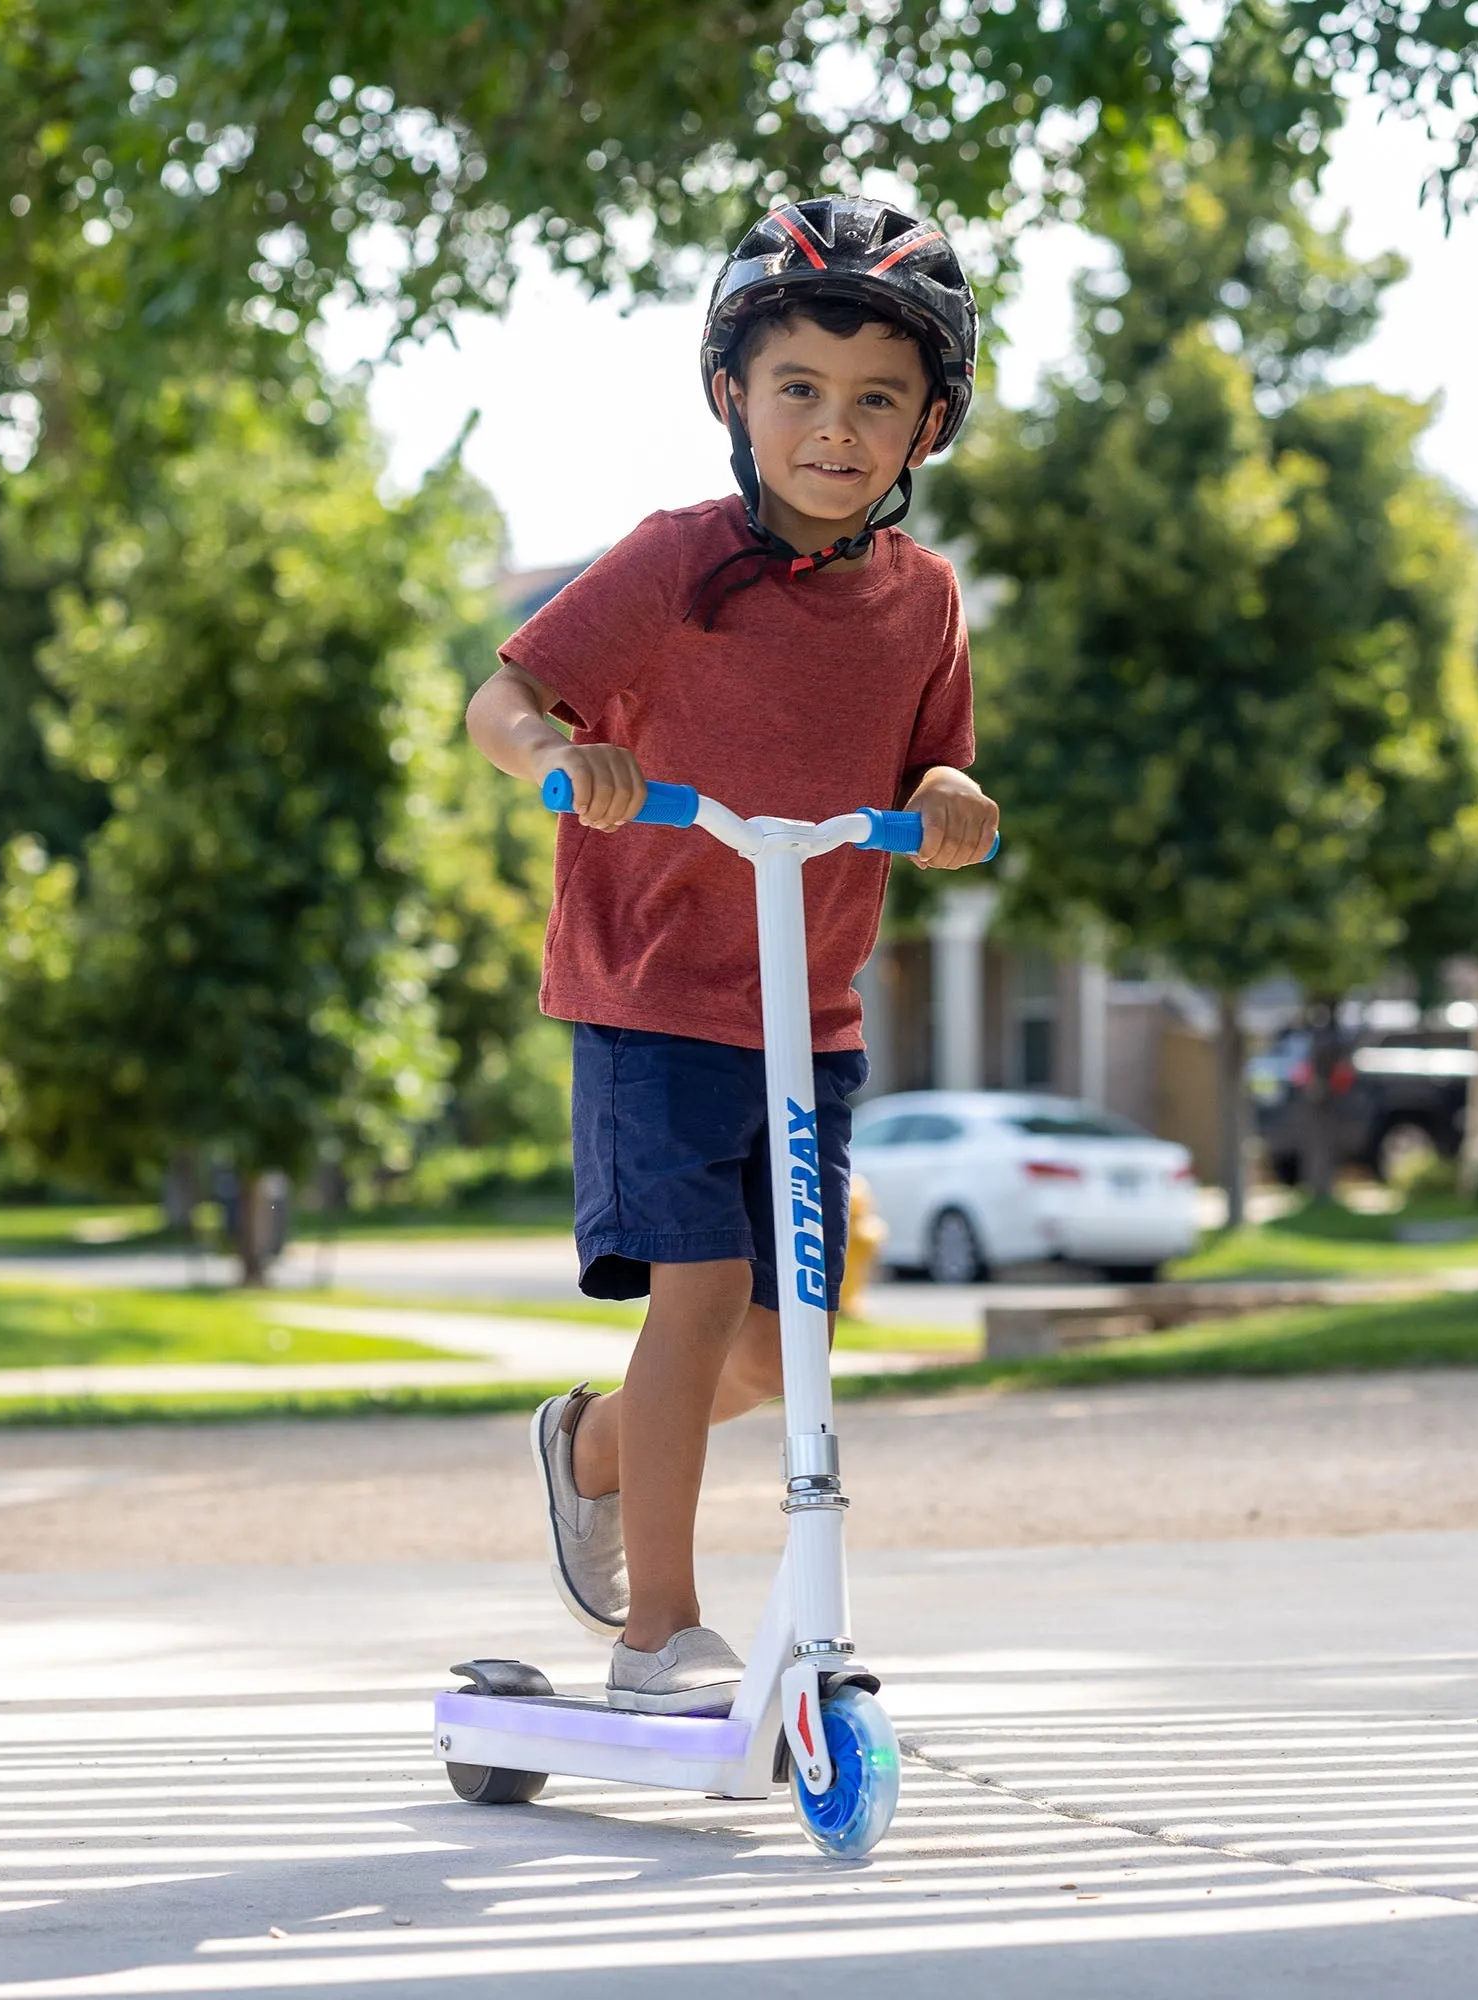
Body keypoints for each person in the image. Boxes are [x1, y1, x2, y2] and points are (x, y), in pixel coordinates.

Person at [466, 196, 999, 1716]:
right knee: (694, 1301)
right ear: (733, 398)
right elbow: (501, 700)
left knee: (792, 1347)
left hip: (807, 1009)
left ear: (927, 427)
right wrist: (560, 764)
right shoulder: (669, 561)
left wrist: (951, 805)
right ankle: (661, 1643)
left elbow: (936, 769)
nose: (837, 428)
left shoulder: (927, 602)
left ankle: (588, 1451)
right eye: (801, 390)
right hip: (652, 993)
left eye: (878, 399)